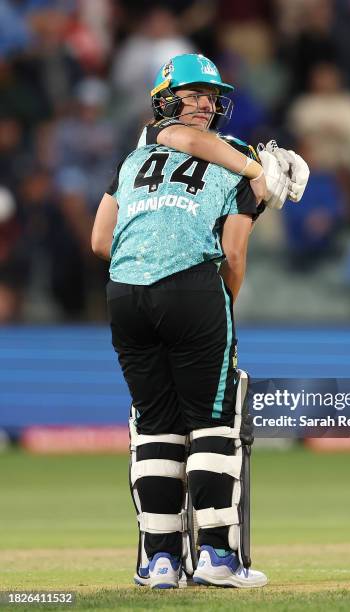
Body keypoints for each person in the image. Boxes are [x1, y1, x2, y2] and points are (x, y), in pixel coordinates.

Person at [92, 53, 308, 589]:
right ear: (166, 99)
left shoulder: (132, 160)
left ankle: (159, 562)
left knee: (155, 426)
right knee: (214, 424)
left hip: (124, 295)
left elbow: (100, 240)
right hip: (192, 290)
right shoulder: (234, 155)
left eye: (211, 97)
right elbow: (233, 256)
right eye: (194, 94)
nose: (206, 104)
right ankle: (215, 557)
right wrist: (259, 171)